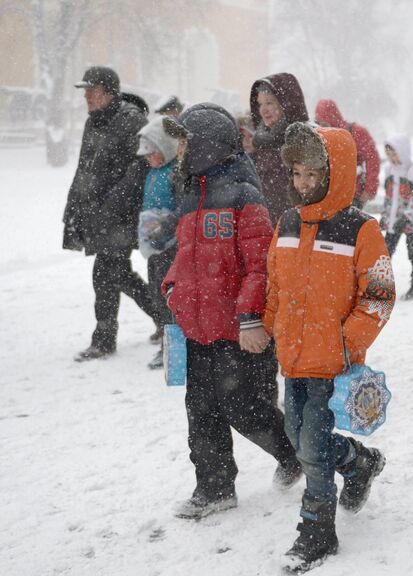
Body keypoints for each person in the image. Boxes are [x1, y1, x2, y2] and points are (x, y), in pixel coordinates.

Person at [160, 103, 302, 520]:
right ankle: (214, 486)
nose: (180, 149)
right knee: (200, 409)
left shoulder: (244, 195)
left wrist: (250, 316)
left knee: (244, 406)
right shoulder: (190, 194)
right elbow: (184, 257)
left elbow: (260, 265)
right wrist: (172, 288)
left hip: (236, 329)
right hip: (196, 328)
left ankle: (292, 452)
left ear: (207, 145)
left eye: (185, 141)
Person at [265, 122, 395, 572]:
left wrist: (348, 341)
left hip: (333, 362)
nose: (302, 185)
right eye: (296, 175)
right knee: (296, 435)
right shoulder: (286, 222)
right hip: (294, 357)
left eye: (312, 176)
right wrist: (269, 326)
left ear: (333, 173)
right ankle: (359, 462)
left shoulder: (361, 229)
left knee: (313, 451)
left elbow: (379, 295)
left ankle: (316, 532)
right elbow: (275, 285)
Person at [63, 66, 161, 361]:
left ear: (109, 93)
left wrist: (112, 204)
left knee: (106, 274)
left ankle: (104, 340)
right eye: (85, 93)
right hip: (98, 214)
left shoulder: (131, 120)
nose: (87, 98)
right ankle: (162, 317)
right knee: (117, 275)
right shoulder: (93, 123)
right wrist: (73, 208)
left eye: (92, 92)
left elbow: (139, 169)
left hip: (122, 216)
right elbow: (85, 170)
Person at [135, 116, 180, 369]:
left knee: (169, 295)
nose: (149, 158)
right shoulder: (152, 174)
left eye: (153, 153)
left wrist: (167, 225)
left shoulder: (174, 173)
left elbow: (180, 208)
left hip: (170, 245)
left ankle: (173, 346)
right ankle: (165, 339)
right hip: (153, 244)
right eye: (147, 154)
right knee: (155, 292)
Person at [249, 73, 309, 225]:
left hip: (296, 226)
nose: (263, 110)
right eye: (260, 104)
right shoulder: (261, 142)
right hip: (266, 225)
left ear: (286, 104)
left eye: (269, 103)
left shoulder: (302, 138)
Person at [380, 134, 413, 300]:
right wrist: (385, 217)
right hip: (393, 221)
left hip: (410, 223)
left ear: (402, 152)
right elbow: (389, 198)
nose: (392, 158)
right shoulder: (389, 170)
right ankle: (381, 287)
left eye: (394, 154)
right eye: (389, 154)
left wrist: (407, 217)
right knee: (385, 253)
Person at [315, 99, 381, 209]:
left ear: (333, 118)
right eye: (318, 123)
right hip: (327, 195)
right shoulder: (319, 136)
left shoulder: (356, 132)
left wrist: (370, 189)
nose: (322, 128)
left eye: (324, 123)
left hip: (352, 195)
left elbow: (372, 158)